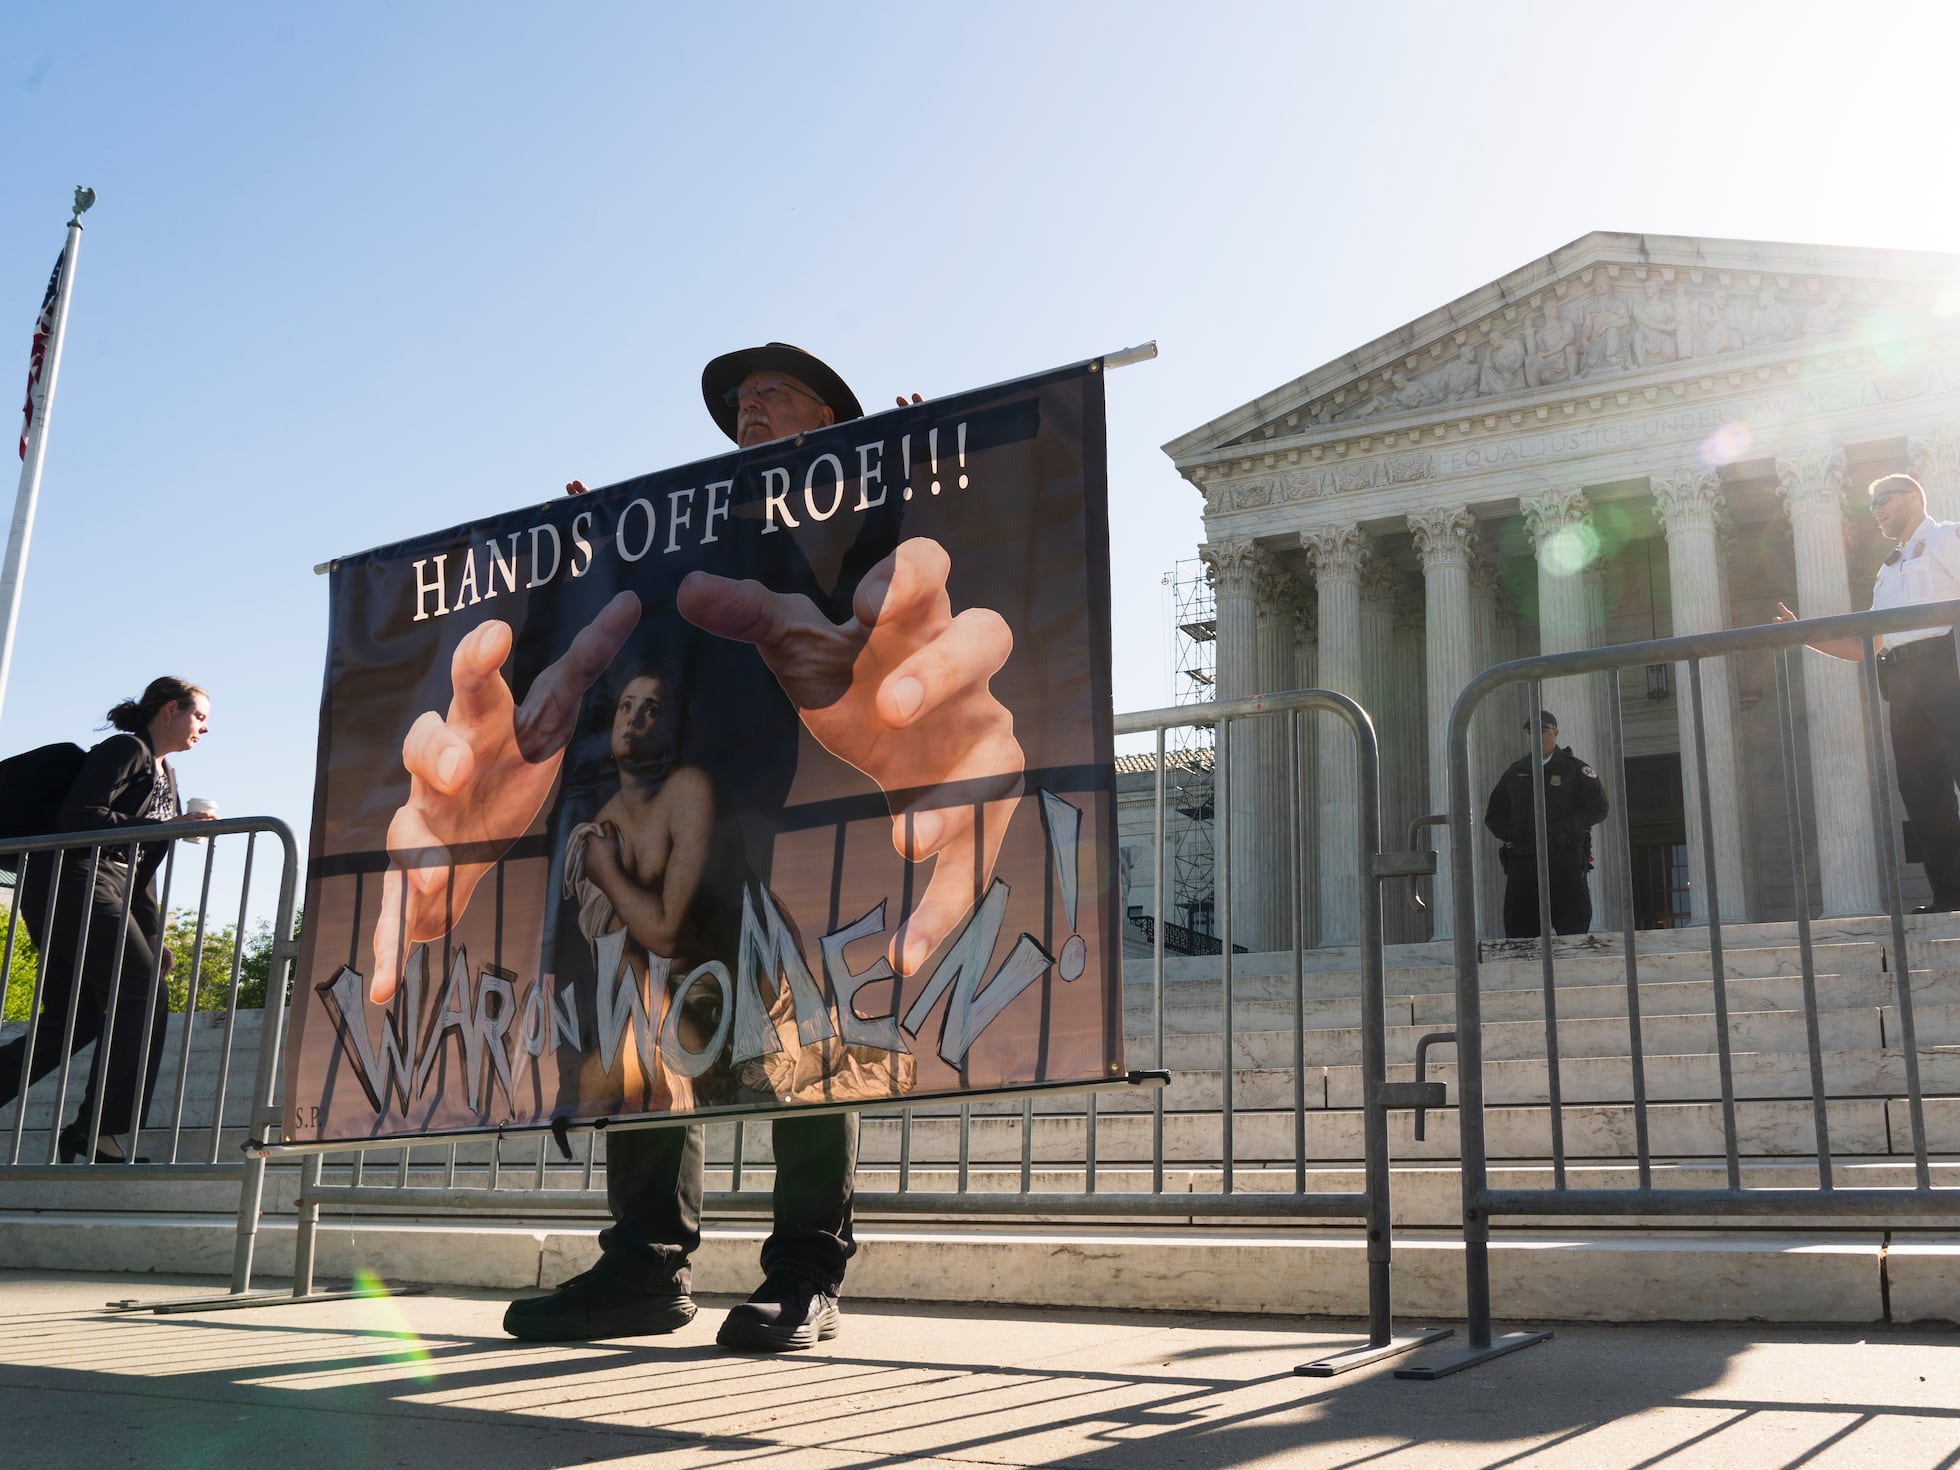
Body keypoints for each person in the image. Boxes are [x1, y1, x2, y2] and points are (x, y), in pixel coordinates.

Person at [372, 343, 1021, 1352]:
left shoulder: (854, 508)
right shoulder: (667, 528)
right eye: (740, 398)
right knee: (630, 1046)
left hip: (776, 826)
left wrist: (920, 477)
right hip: (625, 824)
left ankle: (807, 1270)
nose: (749, 404)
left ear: (829, 416)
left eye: (776, 391)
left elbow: (897, 613)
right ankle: (642, 1263)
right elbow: (555, 668)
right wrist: (572, 554)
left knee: (785, 1053)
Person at [0, 678, 214, 1162]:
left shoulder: (168, 777)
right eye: (199, 716)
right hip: (73, 882)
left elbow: (143, 870)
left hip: (110, 889)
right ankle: (99, 1130)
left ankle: (92, 1130)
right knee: (141, 992)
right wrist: (163, 826)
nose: (206, 727)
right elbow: (78, 816)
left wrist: (153, 937)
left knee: (71, 1022)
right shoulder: (125, 749)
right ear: (169, 711)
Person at [1776, 472, 1960, 911]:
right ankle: (1951, 895)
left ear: (1914, 497)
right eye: (1871, 504)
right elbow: (1871, 641)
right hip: (1901, 682)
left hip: (1945, 669)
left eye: (1883, 499)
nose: (1875, 510)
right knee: (1922, 792)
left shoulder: (1948, 539)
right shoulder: (1889, 567)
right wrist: (1806, 637)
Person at [1483, 710, 1609, 938]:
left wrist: (1568, 827)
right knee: (1520, 935)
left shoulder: (1574, 769)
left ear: (1556, 732)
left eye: (1542, 730)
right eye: (1531, 731)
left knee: (1573, 932)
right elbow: (1493, 815)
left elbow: (1599, 807)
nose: (1536, 736)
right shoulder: (1516, 772)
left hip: (1564, 858)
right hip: (1524, 861)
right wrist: (1514, 834)